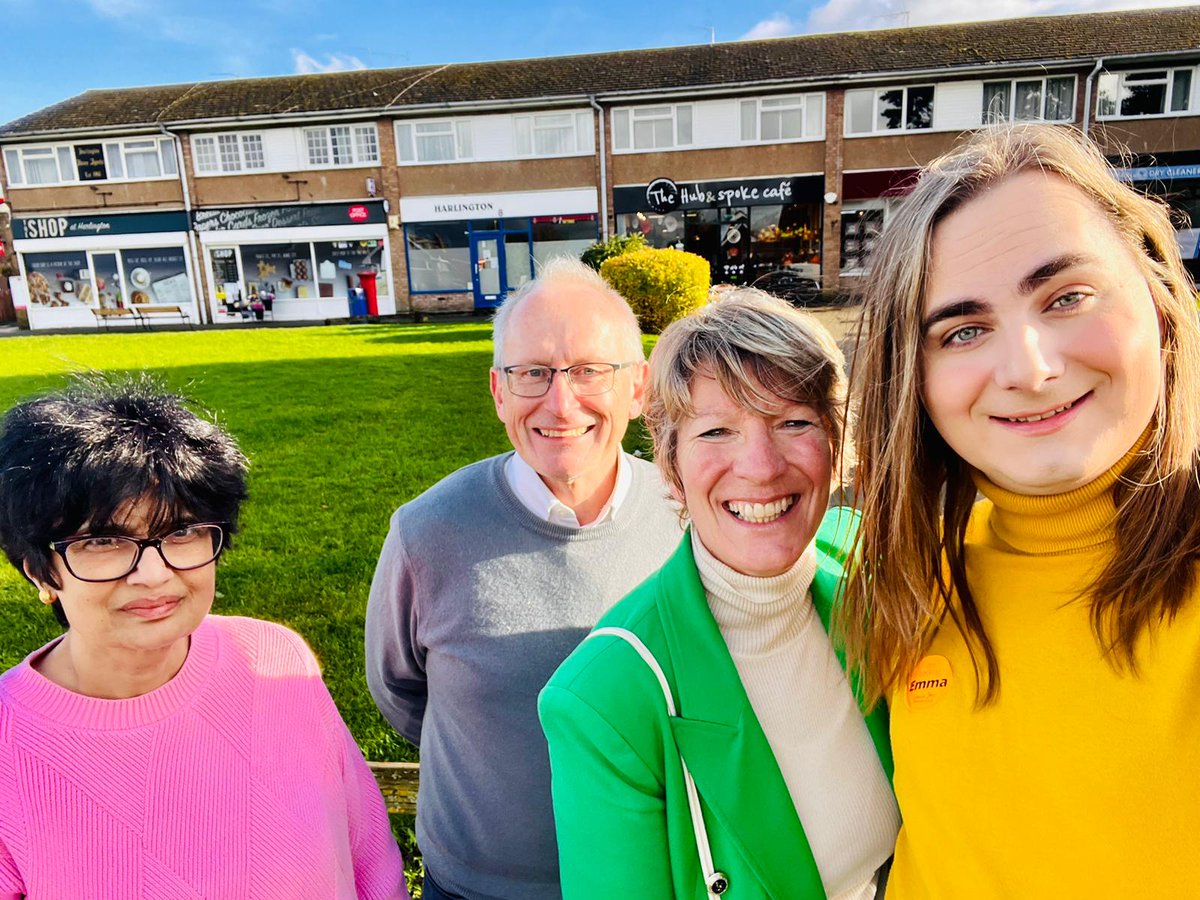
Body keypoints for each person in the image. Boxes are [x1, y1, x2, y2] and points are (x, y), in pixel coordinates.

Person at [842, 123, 1200, 897]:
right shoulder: (910, 572)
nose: (1030, 369)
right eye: (964, 329)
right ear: (913, 378)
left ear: (1161, 304)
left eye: (1067, 296)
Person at [539, 289, 900, 899]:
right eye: (717, 431)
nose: (759, 466)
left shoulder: (868, 572)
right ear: (672, 465)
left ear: (838, 445)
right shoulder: (606, 697)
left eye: (793, 422)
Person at [0, 378, 407, 899]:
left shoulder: (276, 659)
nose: (153, 574)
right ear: (38, 570)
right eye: (103, 540)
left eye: (182, 533)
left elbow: (367, 848)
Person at [365, 258, 681, 900]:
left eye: (590, 371)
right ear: (498, 391)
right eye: (532, 373)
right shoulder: (426, 532)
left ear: (639, 387)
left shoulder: (689, 517)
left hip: (650, 876)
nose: (560, 403)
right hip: (476, 888)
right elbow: (398, 689)